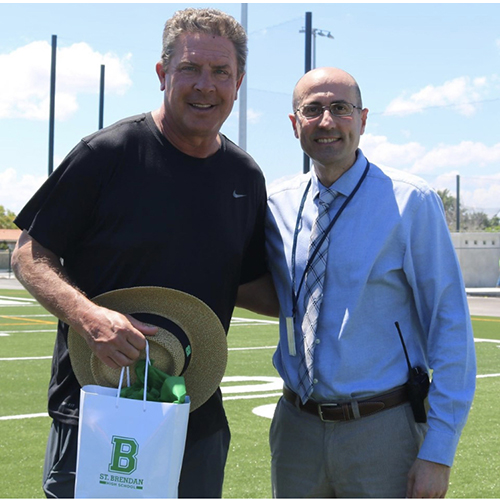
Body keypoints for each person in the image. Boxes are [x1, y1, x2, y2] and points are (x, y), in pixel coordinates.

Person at [12, 8, 276, 498]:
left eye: (221, 72)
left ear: (239, 82)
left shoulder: (244, 176)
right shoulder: (107, 153)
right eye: (190, 68)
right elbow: (29, 253)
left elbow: (249, 283)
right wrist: (88, 316)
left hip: (193, 414)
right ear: (162, 74)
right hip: (96, 409)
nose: (205, 85)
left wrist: (341, 288)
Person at [264, 67, 476, 498]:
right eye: (313, 110)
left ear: (362, 120)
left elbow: (449, 324)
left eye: (340, 108)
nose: (327, 121)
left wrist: (438, 451)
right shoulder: (274, 205)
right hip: (295, 430)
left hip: (382, 431)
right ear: (294, 124)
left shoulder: (410, 201)